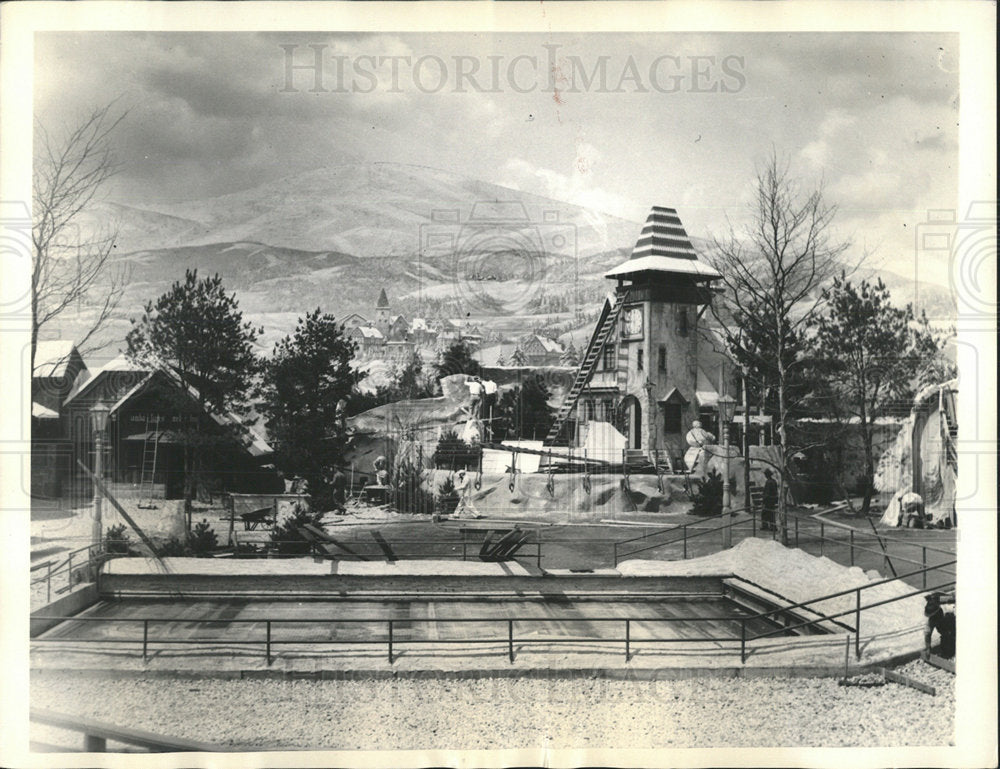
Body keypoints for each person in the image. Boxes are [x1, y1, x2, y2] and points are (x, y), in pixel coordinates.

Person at [924, 592, 956, 658]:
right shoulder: (931, 621)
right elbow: (927, 634)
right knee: (946, 641)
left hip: (954, 622)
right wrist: (928, 648)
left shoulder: (949, 608)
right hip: (945, 630)